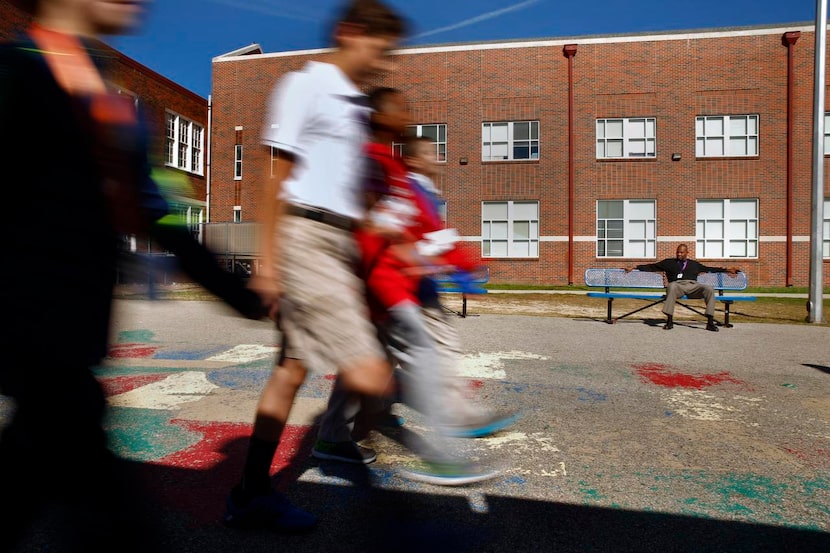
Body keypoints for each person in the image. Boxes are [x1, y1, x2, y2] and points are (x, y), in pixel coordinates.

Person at [0, 1, 267, 551]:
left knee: (27, 472)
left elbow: (155, 210)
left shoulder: (103, 84)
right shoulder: (18, 68)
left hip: (71, 332)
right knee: (102, 502)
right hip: (28, 324)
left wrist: (239, 292)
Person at [223, 0, 407, 532]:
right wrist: (268, 258)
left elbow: (345, 189)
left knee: (290, 371)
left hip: (341, 244)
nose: (383, 61)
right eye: (379, 47)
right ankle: (398, 530)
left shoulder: (356, 106)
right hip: (306, 235)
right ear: (351, 33)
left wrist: (376, 232)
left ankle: (250, 494)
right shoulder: (303, 84)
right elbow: (276, 172)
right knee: (373, 374)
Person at [312, 87, 511, 485]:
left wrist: (464, 267)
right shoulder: (366, 162)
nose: (409, 115)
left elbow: (429, 227)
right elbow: (362, 221)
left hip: (395, 289)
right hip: (384, 288)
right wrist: (398, 251)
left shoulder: (397, 170)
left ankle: (334, 439)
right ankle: (448, 461)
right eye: (401, 109)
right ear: (380, 117)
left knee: (369, 371)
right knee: (425, 360)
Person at [624, 244, 741, 331]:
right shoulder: (669, 262)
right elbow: (652, 266)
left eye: (681, 252)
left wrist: (727, 270)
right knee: (672, 285)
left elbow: (709, 269)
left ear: (687, 253)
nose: (679, 254)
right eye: (678, 252)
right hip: (677, 286)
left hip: (693, 286)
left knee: (709, 288)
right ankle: (669, 321)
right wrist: (634, 267)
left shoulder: (694, 264)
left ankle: (710, 322)